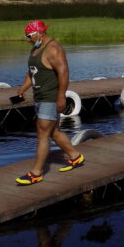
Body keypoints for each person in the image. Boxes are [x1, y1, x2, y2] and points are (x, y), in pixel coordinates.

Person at [14, 21, 84, 185]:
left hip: (50, 97)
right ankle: (75, 156)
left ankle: (36, 173)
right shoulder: (35, 49)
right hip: (40, 97)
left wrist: (61, 97)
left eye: (29, 36)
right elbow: (32, 72)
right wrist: (22, 89)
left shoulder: (53, 49)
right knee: (54, 132)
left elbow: (64, 72)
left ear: (39, 33)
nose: (27, 40)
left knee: (42, 133)